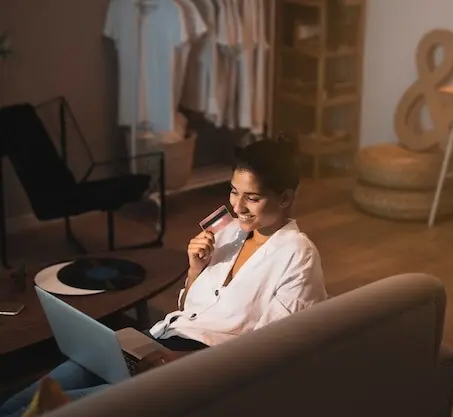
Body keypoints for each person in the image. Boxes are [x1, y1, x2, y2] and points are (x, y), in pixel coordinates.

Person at [0, 134, 327, 417]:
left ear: (285, 198)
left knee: (62, 406)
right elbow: (189, 309)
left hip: (202, 368)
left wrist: (180, 362)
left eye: (252, 198)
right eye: (233, 191)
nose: (237, 206)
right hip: (160, 340)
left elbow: (273, 352)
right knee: (30, 397)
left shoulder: (297, 255)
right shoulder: (229, 232)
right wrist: (196, 269)